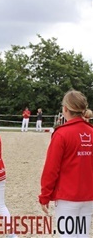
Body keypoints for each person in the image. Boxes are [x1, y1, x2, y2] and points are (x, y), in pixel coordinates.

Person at [39, 89, 93, 237]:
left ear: (65, 109)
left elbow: (51, 169)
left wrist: (45, 195)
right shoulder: (91, 132)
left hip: (67, 197)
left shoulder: (62, 134)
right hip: (88, 196)